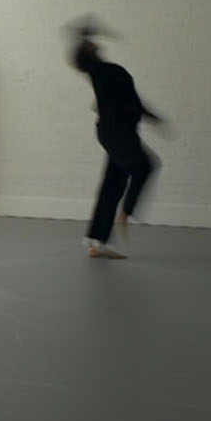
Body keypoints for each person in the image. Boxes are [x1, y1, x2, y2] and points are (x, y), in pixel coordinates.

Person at [69, 33, 164, 259]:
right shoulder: (101, 71)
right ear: (88, 54)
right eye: (90, 45)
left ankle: (95, 243)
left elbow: (133, 101)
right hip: (116, 131)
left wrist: (152, 117)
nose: (95, 43)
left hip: (116, 131)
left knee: (113, 183)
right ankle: (126, 211)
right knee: (144, 166)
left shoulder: (108, 72)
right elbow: (129, 102)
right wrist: (82, 39)